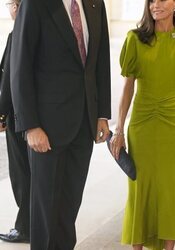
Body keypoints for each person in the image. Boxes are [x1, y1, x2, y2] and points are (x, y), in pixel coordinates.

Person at [10, 0, 111, 249]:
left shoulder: (95, 4)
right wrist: (30, 125)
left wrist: (102, 115)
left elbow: (101, 61)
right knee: (45, 211)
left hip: (84, 123)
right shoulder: (36, 5)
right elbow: (20, 66)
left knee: (69, 208)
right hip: (46, 127)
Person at [110, 0, 175, 249]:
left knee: (169, 190)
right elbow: (127, 88)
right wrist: (119, 130)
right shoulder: (136, 38)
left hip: (172, 125)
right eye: (152, 0)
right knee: (140, 189)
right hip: (142, 124)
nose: (156, 5)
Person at [0, 0, 30, 243]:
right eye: (13, 4)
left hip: (19, 118)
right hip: (23, 116)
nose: (16, 9)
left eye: (21, 4)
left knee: (22, 176)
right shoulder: (16, 33)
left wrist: (1, 114)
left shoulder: (21, 35)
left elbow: (10, 79)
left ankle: (24, 227)